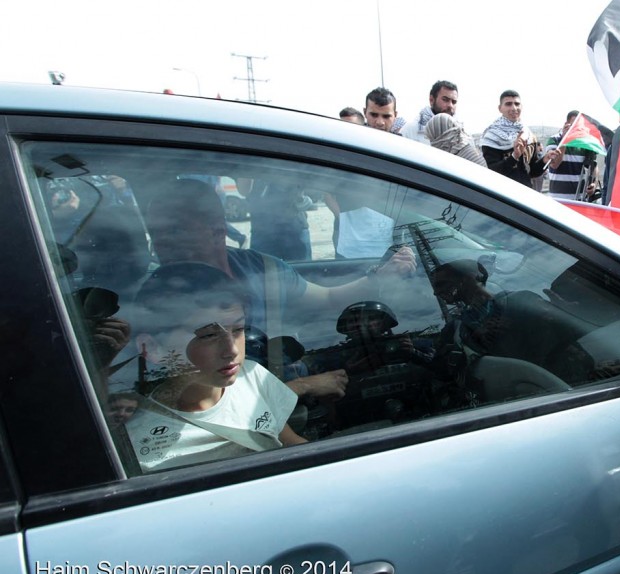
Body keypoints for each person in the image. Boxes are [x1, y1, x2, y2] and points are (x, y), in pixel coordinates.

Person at [145, 178, 415, 340]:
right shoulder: (148, 295)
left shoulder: (259, 268)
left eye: (175, 230)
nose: (162, 243)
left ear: (218, 229)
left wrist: (380, 277)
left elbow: (328, 299)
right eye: (155, 232)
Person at [125, 263, 309, 472]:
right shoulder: (135, 438)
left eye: (239, 329)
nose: (231, 350)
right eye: (209, 335)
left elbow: (289, 443)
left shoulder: (252, 376)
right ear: (151, 348)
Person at [480, 90, 556, 188]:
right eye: (508, 104)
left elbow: (532, 172)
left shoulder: (528, 135)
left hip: (524, 194)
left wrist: (545, 160)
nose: (514, 108)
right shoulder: (492, 137)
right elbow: (492, 172)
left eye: (517, 104)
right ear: (500, 108)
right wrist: (514, 157)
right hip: (501, 195)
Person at [543, 110, 605, 202]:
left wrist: (594, 184)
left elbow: (594, 165)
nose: (576, 129)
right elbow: (554, 164)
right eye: (573, 126)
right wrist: (565, 140)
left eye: (579, 127)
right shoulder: (555, 140)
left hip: (580, 200)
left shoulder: (584, 143)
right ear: (566, 124)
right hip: (558, 200)